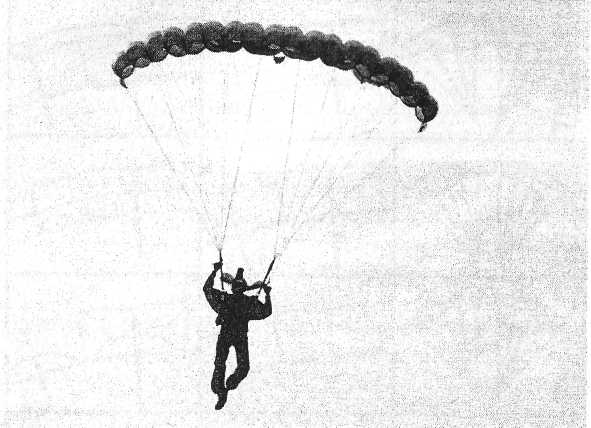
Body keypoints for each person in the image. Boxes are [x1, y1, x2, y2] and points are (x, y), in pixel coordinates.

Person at [203, 261, 272, 410]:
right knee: (241, 366)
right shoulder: (247, 302)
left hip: (227, 336)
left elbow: (207, 289)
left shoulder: (226, 299)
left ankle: (222, 389)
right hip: (239, 337)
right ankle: (226, 387)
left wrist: (214, 272)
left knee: (221, 364)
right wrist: (267, 294)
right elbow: (266, 312)